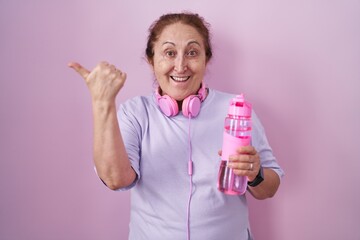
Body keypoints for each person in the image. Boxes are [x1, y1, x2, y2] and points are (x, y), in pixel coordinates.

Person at [69, 12, 284, 240]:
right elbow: (116, 179)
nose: (180, 66)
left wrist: (256, 174)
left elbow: (269, 188)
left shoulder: (236, 109)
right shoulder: (135, 113)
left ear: (206, 59)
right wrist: (103, 104)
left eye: (192, 53)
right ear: (152, 60)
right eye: (169, 53)